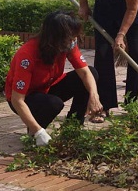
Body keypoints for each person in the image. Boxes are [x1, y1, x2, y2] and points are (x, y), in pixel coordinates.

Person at [5, 11, 102, 146]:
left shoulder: (67, 45)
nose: (74, 41)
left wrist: (94, 95)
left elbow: (85, 73)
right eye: (70, 38)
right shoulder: (27, 56)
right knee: (53, 103)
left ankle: (73, 127)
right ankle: (35, 133)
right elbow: (17, 100)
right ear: (56, 38)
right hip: (26, 98)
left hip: (47, 87)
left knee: (91, 73)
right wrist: (39, 132)